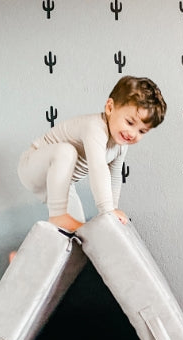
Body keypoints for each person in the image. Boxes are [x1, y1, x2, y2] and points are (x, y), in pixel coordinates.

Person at [18, 75, 166, 233]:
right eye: (130, 122)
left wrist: (113, 209)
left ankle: (24, 257)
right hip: (33, 165)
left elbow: (114, 176)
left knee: (76, 234)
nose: (132, 133)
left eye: (142, 131)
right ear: (110, 108)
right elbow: (98, 168)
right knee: (66, 151)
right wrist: (107, 210)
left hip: (60, 184)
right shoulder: (95, 128)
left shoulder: (121, 146)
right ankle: (58, 215)